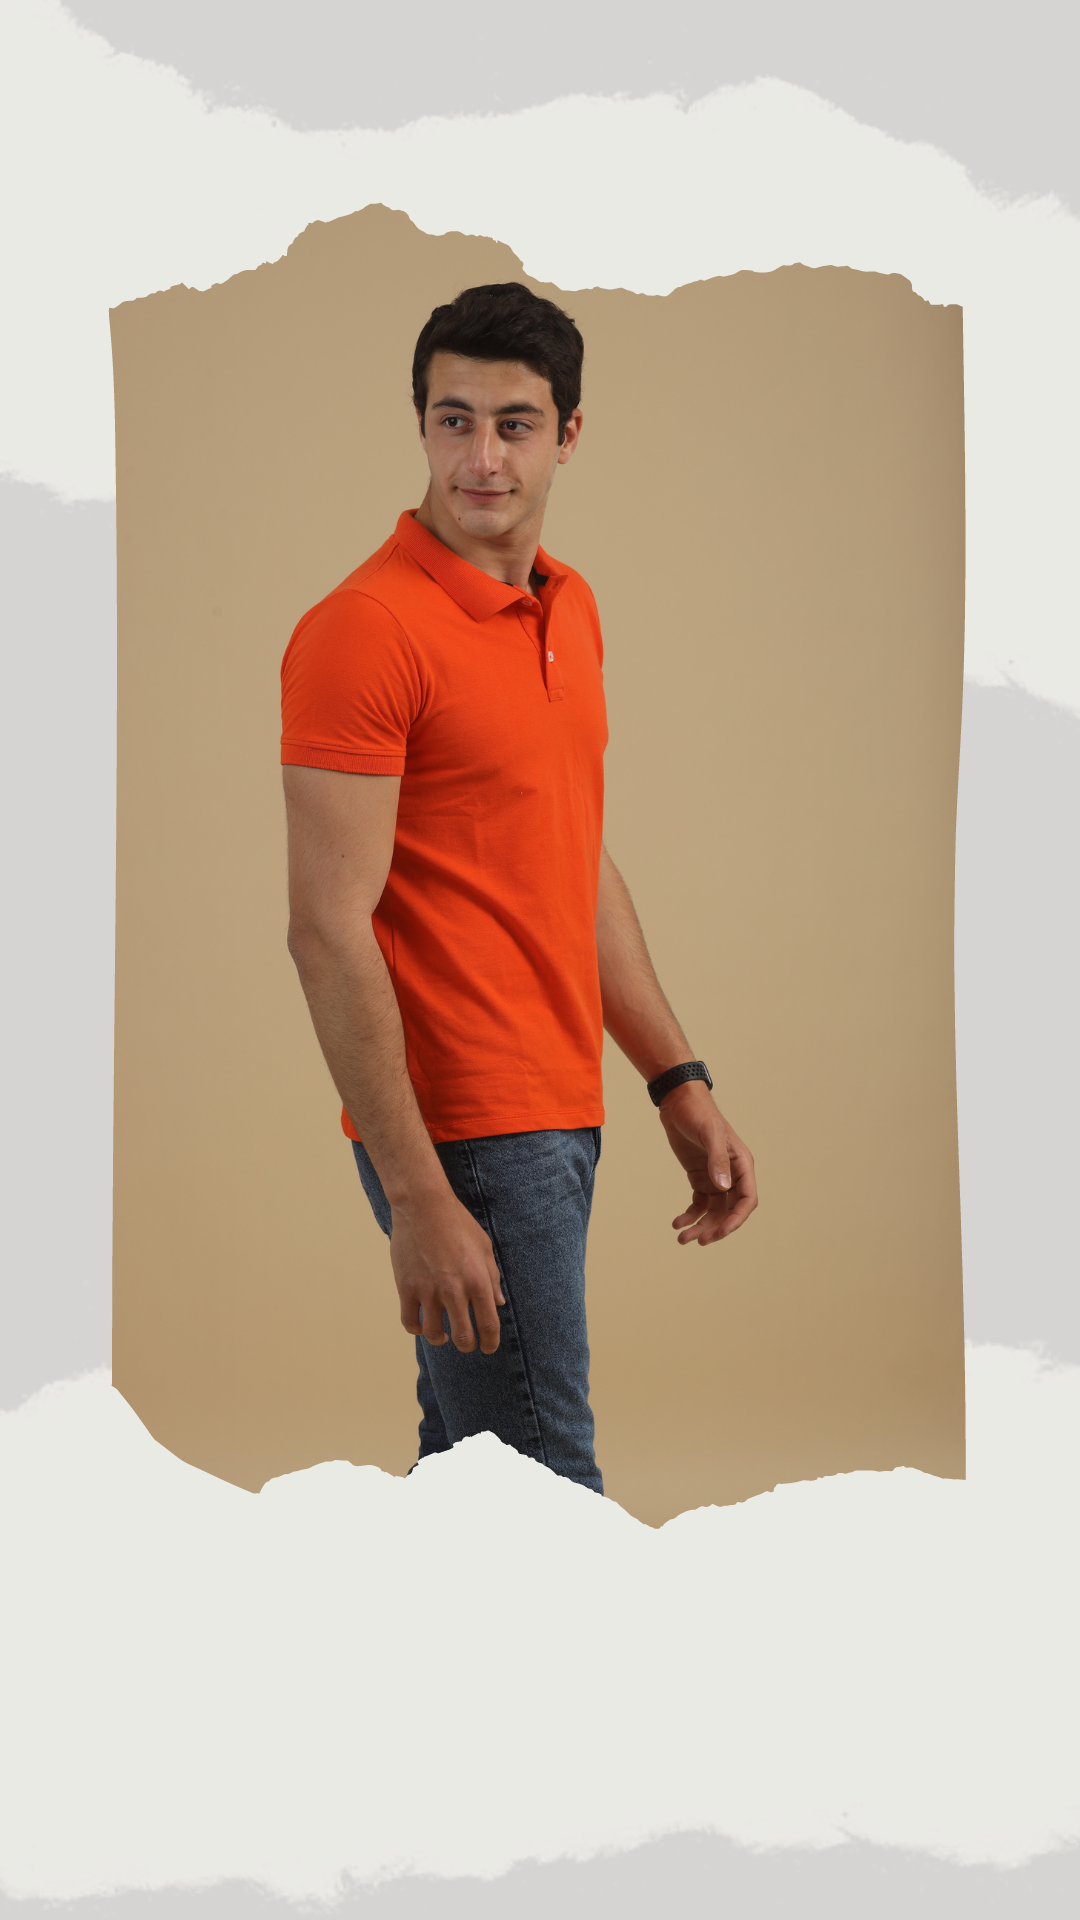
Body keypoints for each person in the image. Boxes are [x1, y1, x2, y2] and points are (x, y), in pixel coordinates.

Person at [280, 282, 757, 1496]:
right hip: (466, 1132)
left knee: (472, 1484)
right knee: (543, 1493)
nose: (481, 457)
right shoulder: (365, 630)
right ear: (422, 425)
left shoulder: (569, 607)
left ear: (568, 434)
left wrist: (676, 1079)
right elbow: (328, 931)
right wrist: (418, 1192)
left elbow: (570, 859)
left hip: (559, 1108)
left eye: (514, 424)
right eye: (454, 421)